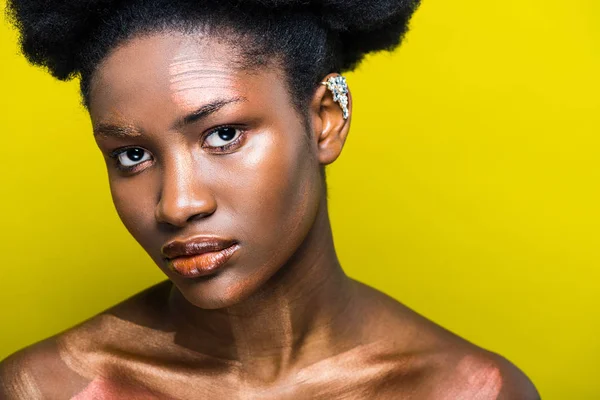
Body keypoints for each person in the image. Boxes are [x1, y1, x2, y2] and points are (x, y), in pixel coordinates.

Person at [0, 0, 540, 398]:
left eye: (224, 135)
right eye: (133, 156)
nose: (176, 205)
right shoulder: (47, 388)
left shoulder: (470, 391)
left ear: (325, 120)